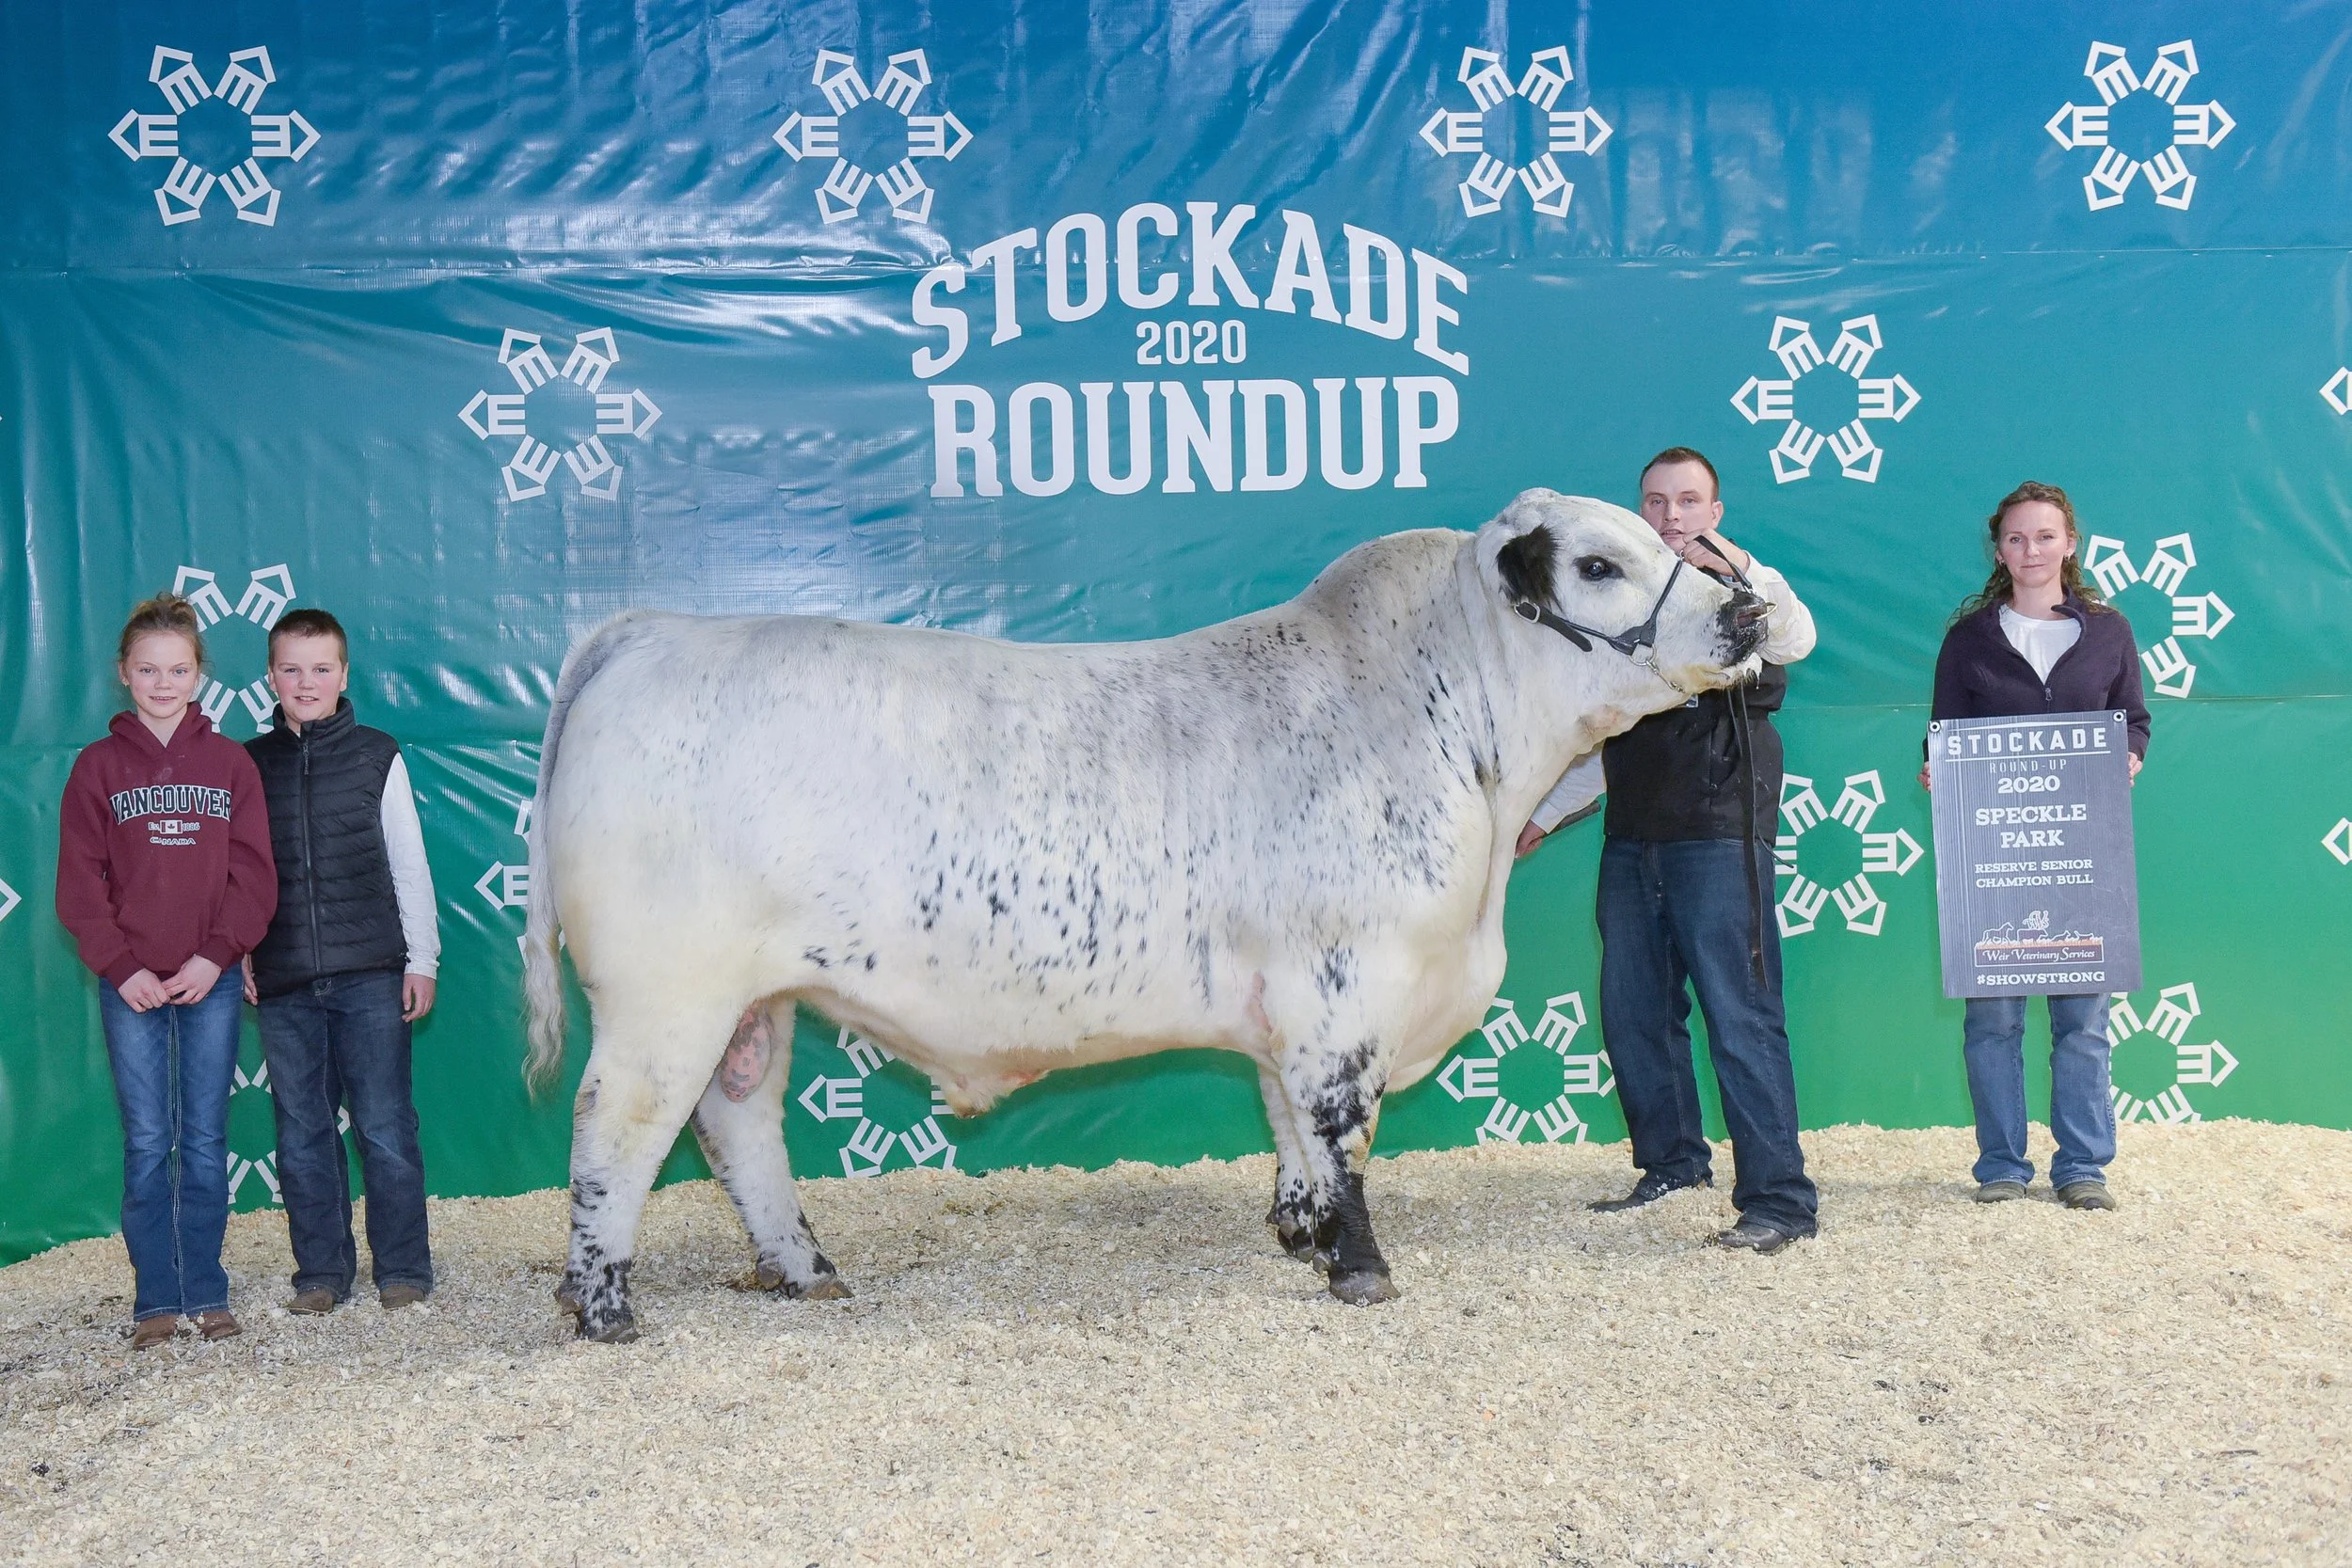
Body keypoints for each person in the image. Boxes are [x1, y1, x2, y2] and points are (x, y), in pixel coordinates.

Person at [1519, 447, 1820, 1253]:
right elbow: (1601, 733)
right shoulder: (1622, 601)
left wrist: (1741, 567)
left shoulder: (1748, 591)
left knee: (1742, 1016)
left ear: (1715, 512)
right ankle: (1673, 1163)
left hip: (1721, 830)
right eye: (1656, 501)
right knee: (1635, 1015)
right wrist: (1541, 814)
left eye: (1688, 500)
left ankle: (1781, 1200)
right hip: (1634, 834)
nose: (1672, 515)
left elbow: (1797, 638)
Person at [56, 594, 278, 1350]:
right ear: (124, 673)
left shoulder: (230, 764)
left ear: (198, 675)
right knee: (150, 1137)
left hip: (209, 977)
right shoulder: (97, 767)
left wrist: (217, 954)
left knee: (206, 1136)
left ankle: (206, 1289)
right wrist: (122, 968)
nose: (162, 682)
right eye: (148, 669)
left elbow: (255, 878)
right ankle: (155, 1295)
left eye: (177, 669)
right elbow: (79, 886)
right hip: (132, 985)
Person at [1923, 481, 2148, 1211]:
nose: (2032, 550)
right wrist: (1936, 767)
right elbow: (1943, 731)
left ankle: (2083, 1166)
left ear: (2070, 544)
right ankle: (2001, 1165)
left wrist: (2130, 753)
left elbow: (2134, 719)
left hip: (2083, 853)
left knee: (2083, 1019)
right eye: (2017, 538)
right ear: (1998, 550)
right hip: (1994, 856)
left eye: (2046, 536)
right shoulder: (1968, 640)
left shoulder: (2110, 632)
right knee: (1992, 1019)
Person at [242, 609, 441, 1313]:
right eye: (291, 669)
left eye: (321, 668)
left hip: (372, 975)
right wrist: (242, 948)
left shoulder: (378, 754)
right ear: (271, 676)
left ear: (344, 674)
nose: (307, 682)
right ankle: (321, 1274)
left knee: (385, 1128)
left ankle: (404, 1268)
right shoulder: (249, 763)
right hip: (284, 979)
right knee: (302, 1135)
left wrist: (422, 958)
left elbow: (409, 861)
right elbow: (240, 874)